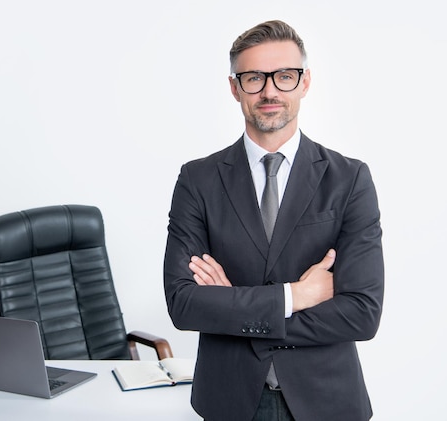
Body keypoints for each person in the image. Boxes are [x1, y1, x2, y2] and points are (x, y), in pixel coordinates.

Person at [163, 20, 384, 421]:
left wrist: (235, 309)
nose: (269, 91)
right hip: (229, 399)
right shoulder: (197, 180)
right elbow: (184, 304)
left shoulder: (349, 179)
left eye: (284, 76)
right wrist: (294, 297)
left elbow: (362, 313)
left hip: (327, 400)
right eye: (253, 78)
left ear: (304, 83)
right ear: (234, 87)